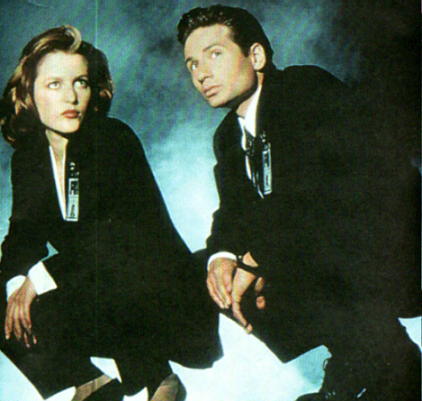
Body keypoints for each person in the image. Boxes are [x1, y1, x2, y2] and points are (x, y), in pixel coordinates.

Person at [177, 5, 420, 401]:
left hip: (398, 245)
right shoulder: (228, 136)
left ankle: (390, 355)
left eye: (214, 54)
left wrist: (257, 260)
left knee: (292, 248)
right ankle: (358, 355)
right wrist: (221, 256)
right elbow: (233, 212)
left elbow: (327, 196)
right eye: (192, 64)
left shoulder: (304, 89)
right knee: (201, 271)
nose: (201, 73)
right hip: (325, 250)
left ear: (256, 56)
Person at [0, 25, 221, 401]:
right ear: (28, 93)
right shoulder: (29, 157)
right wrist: (16, 289)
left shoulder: (111, 138)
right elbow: (22, 235)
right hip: (96, 287)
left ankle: (159, 379)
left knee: (105, 273)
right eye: (55, 84)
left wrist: (38, 279)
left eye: (80, 82)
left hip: (161, 295)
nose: (71, 97)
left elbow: (117, 239)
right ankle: (90, 384)